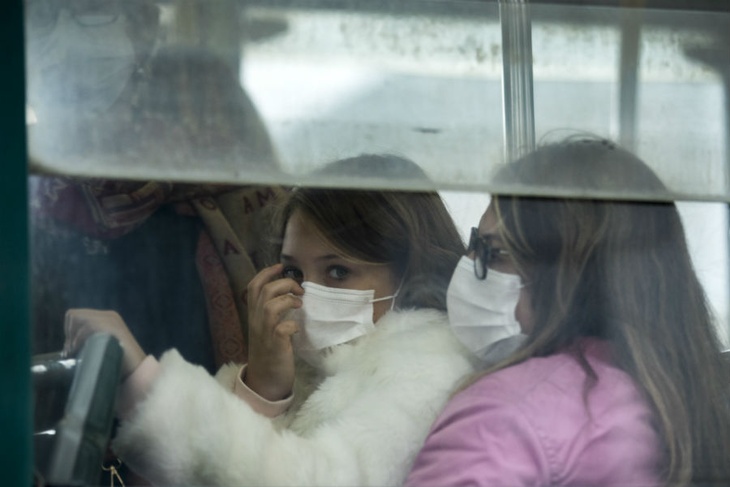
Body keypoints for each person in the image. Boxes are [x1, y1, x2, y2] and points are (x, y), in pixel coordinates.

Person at [63, 154, 479, 486]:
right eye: (294, 272)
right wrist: (264, 387)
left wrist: (144, 383)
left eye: (338, 271)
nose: (305, 295)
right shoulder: (311, 366)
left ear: (411, 271)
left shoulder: (431, 368)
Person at [406, 138, 730, 486]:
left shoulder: (504, 414)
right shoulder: (689, 390)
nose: (470, 263)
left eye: (494, 251)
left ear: (566, 274)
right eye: (475, 245)